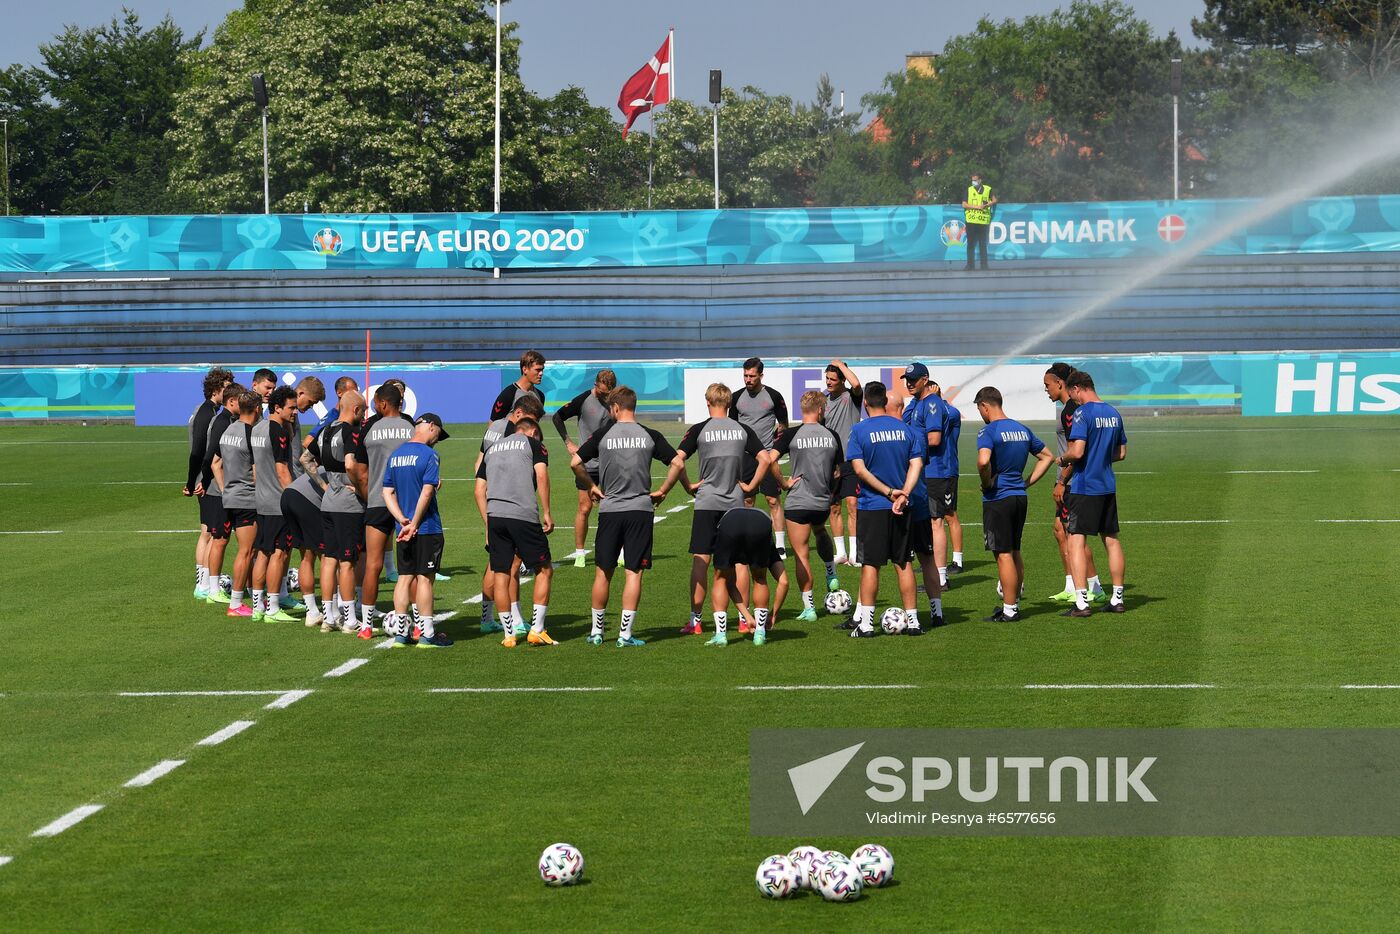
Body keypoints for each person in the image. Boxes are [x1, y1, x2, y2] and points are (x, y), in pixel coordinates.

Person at [571, 386, 679, 647]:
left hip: (610, 510)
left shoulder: (604, 434)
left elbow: (575, 462)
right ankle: (625, 635)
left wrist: (592, 486)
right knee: (633, 573)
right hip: (640, 510)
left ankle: (597, 633)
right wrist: (663, 490)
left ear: (616, 408)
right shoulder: (649, 434)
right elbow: (678, 463)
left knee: (603, 573)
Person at [663, 382, 764, 636]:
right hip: (735, 504)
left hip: (707, 502)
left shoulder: (699, 429)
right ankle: (743, 619)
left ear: (708, 402)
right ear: (729, 405)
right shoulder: (742, 429)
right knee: (739, 562)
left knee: (701, 560)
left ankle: (695, 621)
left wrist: (688, 486)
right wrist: (751, 486)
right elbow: (766, 458)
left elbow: (677, 460)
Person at [844, 382, 927, 638]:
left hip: (872, 506)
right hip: (902, 506)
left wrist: (889, 492)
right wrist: (903, 493)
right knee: (904, 564)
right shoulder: (906, 430)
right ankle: (913, 622)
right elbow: (917, 464)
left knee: (871, 564)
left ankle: (867, 625)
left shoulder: (859, 430)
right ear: (884, 402)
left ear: (866, 403)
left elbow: (859, 470)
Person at [974, 386, 1054, 622]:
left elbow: (982, 461)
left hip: (999, 498)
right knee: (1015, 550)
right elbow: (1047, 456)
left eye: (980, 409)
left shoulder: (988, 431)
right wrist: (1026, 482)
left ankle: (1009, 610)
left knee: (1003, 554)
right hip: (1020, 496)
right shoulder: (1022, 429)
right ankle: (1014, 603)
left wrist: (987, 482)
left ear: (985, 406)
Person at [476, 416, 557, 647]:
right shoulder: (533, 444)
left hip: (495, 517)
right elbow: (541, 475)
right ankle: (537, 629)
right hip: (522, 515)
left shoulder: (492, 449)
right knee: (544, 569)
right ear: (532, 432)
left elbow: (479, 488)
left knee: (501, 574)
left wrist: (487, 522)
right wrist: (547, 511)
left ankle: (509, 635)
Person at [769, 390, 843, 622]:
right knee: (820, 530)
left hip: (798, 502)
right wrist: (829, 489)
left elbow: (770, 459)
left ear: (803, 409)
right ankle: (831, 571)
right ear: (821, 410)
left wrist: (784, 482)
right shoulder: (832, 435)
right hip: (822, 501)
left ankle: (809, 607)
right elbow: (838, 471)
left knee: (801, 555)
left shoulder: (792, 434)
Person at [1061, 370, 1128, 617]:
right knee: (1111, 540)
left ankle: (1081, 602)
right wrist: (1100, 457)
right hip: (1107, 485)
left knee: (1076, 541)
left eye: (1072, 395)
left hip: (1085, 485)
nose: (1073, 400)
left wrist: (1062, 458)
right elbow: (1121, 453)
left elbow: (1077, 452)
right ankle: (1118, 598)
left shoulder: (1082, 413)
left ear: (1077, 388)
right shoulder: (1113, 412)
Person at [382, 413, 453, 648]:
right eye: (438, 434)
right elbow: (426, 492)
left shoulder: (396, 455)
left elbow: (387, 492)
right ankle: (427, 634)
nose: (437, 440)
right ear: (431, 426)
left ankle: (401, 634)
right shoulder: (430, 455)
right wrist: (414, 521)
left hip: (402, 529)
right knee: (425, 579)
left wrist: (401, 519)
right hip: (426, 527)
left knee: (404, 578)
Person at [1043, 363, 1106, 604]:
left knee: (1074, 534)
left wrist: (1061, 480)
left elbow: (1075, 450)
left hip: (1071, 480)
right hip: (1068, 478)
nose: (1046, 390)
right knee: (1061, 530)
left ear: (1060, 383)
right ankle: (1071, 584)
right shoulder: (1066, 408)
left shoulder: (1072, 409)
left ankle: (1094, 586)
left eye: (1047, 385)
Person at [361, 383, 415, 624]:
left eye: (374, 402)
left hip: (376, 500)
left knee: (373, 565)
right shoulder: (410, 428)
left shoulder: (369, 428)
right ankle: (415, 621)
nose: (373, 406)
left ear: (383, 403)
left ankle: (365, 624)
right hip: (407, 503)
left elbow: (358, 468)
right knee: (411, 567)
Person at [552, 368, 617, 567]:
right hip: (586, 465)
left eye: (609, 392)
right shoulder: (583, 400)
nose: (606, 396)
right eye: (603, 391)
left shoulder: (616, 400)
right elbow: (557, 417)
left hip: (610, 463)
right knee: (585, 507)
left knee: (614, 508)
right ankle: (580, 553)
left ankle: (620, 551)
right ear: (596, 384)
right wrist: (568, 442)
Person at [899, 364, 947, 626]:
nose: (909, 383)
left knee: (916, 552)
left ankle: (924, 614)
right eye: (907, 379)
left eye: (914, 379)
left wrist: (910, 452)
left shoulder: (931, 404)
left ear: (925, 380)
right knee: (922, 552)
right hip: (918, 478)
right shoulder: (915, 404)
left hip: (926, 478)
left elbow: (934, 438)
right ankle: (933, 613)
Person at [317, 390, 369, 635]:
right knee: (347, 562)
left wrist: (326, 485)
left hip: (328, 502)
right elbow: (350, 463)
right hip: (348, 506)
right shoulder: (351, 432)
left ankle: (328, 617)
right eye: (363, 410)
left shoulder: (325, 430)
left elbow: (307, 458)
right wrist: (358, 487)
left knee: (329, 559)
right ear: (356, 410)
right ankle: (350, 620)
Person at [706, 505, 790, 647]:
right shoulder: (770, 546)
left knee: (721, 579)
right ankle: (760, 633)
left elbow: (730, 585)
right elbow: (784, 582)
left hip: (730, 522)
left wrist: (746, 616)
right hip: (761, 524)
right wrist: (773, 615)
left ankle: (721, 635)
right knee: (760, 579)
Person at [729, 357, 789, 554]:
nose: (748, 379)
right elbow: (733, 426)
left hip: (768, 456)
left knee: (773, 500)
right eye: (745, 375)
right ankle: (748, 540)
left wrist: (775, 451)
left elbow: (783, 425)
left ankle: (779, 545)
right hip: (746, 456)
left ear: (761, 375)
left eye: (752, 376)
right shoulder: (736, 397)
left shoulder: (773, 396)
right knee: (747, 500)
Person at [249, 386, 298, 622]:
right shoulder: (277, 431)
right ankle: (273, 607)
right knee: (279, 554)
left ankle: (258, 607)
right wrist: (294, 499)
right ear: (277, 407)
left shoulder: (257, 428)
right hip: (278, 502)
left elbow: (256, 470)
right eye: (292, 407)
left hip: (261, 500)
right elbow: (282, 469)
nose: (296, 412)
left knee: (263, 554)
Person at [212, 390, 262, 618]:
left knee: (245, 550)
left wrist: (225, 489)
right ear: (258, 409)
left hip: (230, 497)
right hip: (247, 499)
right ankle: (235, 604)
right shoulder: (251, 433)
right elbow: (256, 471)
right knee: (247, 551)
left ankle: (250, 597)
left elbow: (215, 463)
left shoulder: (227, 430)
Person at [187, 367, 233, 600]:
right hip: (206, 480)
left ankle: (203, 584)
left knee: (206, 530)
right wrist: (197, 480)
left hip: (204, 478)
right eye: (226, 387)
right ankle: (203, 584)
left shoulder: (206, 411)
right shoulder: (207, 413)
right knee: (210, 533)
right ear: (216, 389)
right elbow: (199, 450)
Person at [198, 382, 244, 606]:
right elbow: (211, 457)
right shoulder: (222, 421)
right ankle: (210, 588)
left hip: (223, 489)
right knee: (219, 539)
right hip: (218, 491)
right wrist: (207, 483)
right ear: (232, 401)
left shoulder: (229, 420)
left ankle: (209, 587)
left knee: (220, 539)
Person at [822, 360, 863, 565]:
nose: (828, 382)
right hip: (831, 462)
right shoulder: (823, 401)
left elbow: (856, 385)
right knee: (834, 507)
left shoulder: (851, 398)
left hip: (851, 460)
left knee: (853, 505)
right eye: (827, 378)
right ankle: (841, 553)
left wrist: (839, 363)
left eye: (833, 379)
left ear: (842, 380)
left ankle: (855, 553)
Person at [927, 380, 966, 579]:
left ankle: (957, 560)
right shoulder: (929, 411)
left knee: (950, 515)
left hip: (946, 470)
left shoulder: (950, 412)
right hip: (930, 472)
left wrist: (935, 399)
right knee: (934, 518)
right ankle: (935, 559)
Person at [490, 350, 546, 421]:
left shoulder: (540, 396)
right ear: (525, 369)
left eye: (542, 370)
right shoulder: (508, 395)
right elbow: (492, 425)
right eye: (538, 370)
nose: (541, 373)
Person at [961, 171, 997, 271]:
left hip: (983, 221)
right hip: (971, 221)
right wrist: (976, 207)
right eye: (972, 180)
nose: (973, 182)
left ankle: (984, 265)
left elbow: (994, 200)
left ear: (980, 180)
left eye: (975, 180)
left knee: (982, 244)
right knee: (971, 244)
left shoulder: (988, 189)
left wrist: (987, 205)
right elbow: (964, 204)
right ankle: (970, 265)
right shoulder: (969, 190)